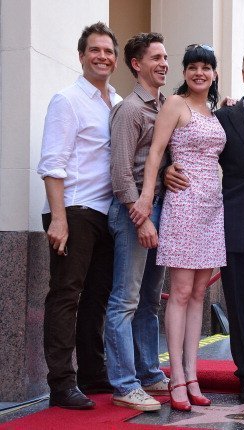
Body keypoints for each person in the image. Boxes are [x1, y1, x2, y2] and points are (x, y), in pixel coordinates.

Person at [165, 46, 244, 407]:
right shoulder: (223, 116)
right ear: (241, 75)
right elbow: (182, 143)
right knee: (238, 307)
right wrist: (166, 170)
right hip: (231, 223)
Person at [131, 44, 225, 411]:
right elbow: (156, 152)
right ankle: (177, 380)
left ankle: (194, 375)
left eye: (206, 67)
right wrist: (146, 196)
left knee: (199, 294)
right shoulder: (175, 104)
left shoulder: (216, 112)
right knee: (181, 292)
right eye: (193, 67)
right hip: (183, 204)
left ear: (214, 73)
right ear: (184, 72)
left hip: (212, 209)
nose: (199, 73)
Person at [36, 22, 121, 410]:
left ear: (116, 59)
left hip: (107, 214)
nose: (102, 56)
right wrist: (58, 218)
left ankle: (92, 372)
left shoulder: (116, 101)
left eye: (108, 51)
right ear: (81, 55)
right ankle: (61, 382)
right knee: (65, 296)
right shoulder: (67, 99)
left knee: (97, 298)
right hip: (74, 209)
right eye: (95, 50)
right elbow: (53, 163)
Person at [105, 32, 170, 412]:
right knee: (125, 300)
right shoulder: (130, 109)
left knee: (148, 301)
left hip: (158, 210)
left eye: (165, 58)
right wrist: (141, 219)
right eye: (155, 58)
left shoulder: (164, 106)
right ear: (136, 64)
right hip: (134, 215)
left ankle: (148, 372)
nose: (163, 63)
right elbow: (120, 173)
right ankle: (124, 383)